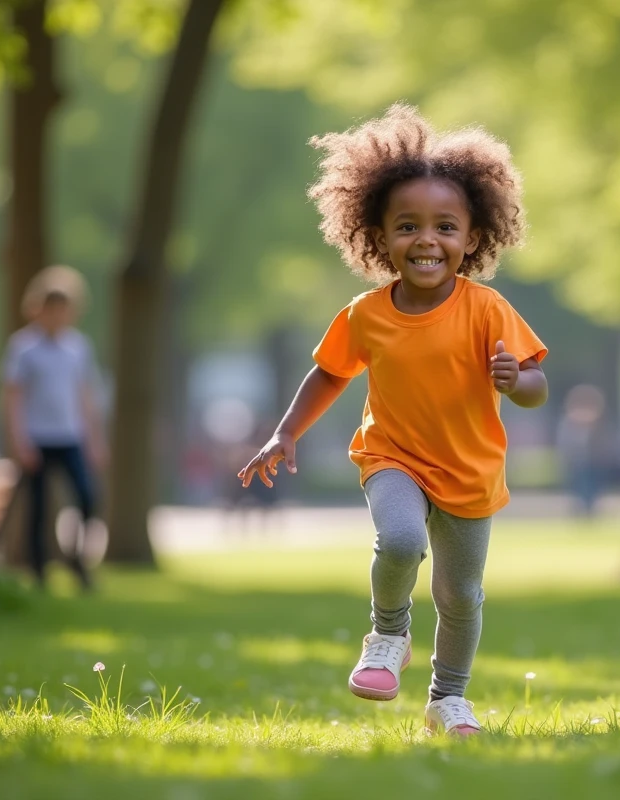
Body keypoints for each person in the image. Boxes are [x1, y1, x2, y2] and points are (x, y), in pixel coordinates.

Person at [238, 105, 548, 737]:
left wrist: (518, 382)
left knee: (461, 595)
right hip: (392, 458)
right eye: (407, 226)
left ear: (472, 237)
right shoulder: (366, 314)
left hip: (469, 472)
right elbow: (329, 372)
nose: (426, 240)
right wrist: (286, 430)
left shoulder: (488, 310)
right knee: (402, 542)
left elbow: (538, 385)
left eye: (445, 227)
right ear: (378, 237)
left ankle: (448, 698)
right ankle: (387, 633)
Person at [1, 278, 107, 590]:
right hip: (37, 437)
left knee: (88, 498)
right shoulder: (23, 348)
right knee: (38, 508)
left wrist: (95, 439)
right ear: (38, 310)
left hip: (70, 435)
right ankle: (38, 572)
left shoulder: (78, 347)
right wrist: (19, 441)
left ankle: (77, 559)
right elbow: (13, 397)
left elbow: (85, 396)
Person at [556, 384, 610, 517]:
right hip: (577, 461)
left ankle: (590, 509)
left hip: (592, 461)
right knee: (579, 486)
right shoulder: (570, 422)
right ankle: (581, 509)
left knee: (592, 486)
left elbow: (601, 442)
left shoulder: (596, 423)